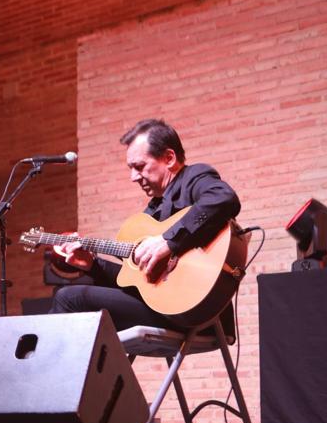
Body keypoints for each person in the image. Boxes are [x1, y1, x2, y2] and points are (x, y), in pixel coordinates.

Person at [49, 119, 241, 330]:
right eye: (131, 169)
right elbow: (136, 285)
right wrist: (92, 265)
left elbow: (223, 198)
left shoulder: (193, 178)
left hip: (199, 313)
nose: (133, 177)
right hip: (165, 307)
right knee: (76, 302)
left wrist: (168, 240)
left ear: (169, 158)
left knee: (69, 298)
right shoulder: (152, 213)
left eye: (139, 167)